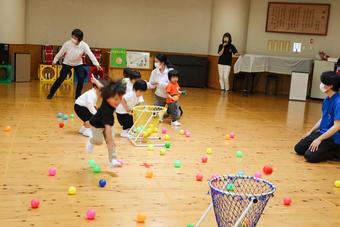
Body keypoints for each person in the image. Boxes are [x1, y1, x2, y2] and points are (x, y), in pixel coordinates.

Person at [294, 71, 340, 163]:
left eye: (323, 83)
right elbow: (323, 118)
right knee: (299, 148)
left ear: (330, 86)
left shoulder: (338, 102)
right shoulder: (327, 99)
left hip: (333, 137)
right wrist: (310, 132)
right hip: (322, 133)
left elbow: (337, 126)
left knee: (310, 156)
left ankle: (336, 152)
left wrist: (319, 139)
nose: (321, 85)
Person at [47, 28, 102, 99]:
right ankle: (51, 93)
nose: (72, 39)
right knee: (61, 78)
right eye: (72, 37)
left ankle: (77, 95)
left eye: (75, 38)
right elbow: (60, 53)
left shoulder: (84, 45)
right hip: (67, 63)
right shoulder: (67, 44)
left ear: (80, 39)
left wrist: (97, 64)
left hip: (78, 64)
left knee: (81, 78)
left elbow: (90, 54)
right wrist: (54, 60)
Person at [86, 80, 126, 168]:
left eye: (119, 99)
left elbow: (102, 87)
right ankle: (91, 140)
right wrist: (110, 140)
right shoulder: (107, 113)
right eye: (115, 99)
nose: (118, 102)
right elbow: (108, 133)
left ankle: (113, 160)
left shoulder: (108, 94)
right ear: (108, 97)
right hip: (96, 125)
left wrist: (96, 81)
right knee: (99, 141)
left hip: (106, 124)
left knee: (111, 143)